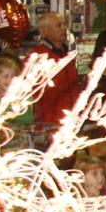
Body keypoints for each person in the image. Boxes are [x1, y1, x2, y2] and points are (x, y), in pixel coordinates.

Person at [30, 11, 81, 142]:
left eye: (64, 24)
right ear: (45, 31)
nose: (64, 28)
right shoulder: (37, 57)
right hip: (50, 127)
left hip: (71, 124)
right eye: (59, 25)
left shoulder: (67, 55)